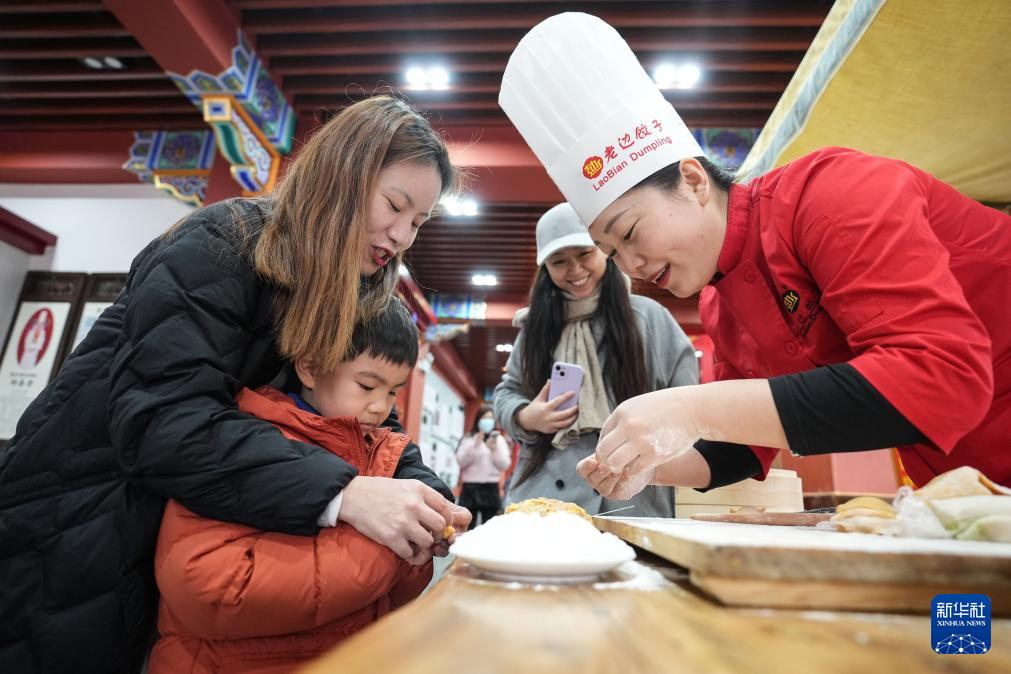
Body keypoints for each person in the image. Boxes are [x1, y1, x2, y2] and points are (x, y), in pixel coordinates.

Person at [0, 95, 470, 673]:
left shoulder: (347, 289)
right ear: (343, 177)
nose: (401, 236)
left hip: (179, 535)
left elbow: (364, 415)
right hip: (77, 520)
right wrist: (345, 492)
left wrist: (427, 494)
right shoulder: (220, 245)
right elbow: (162, 421)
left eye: (418, 223)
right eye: (394, 206)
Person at [499, 13, 1011, 501]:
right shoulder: (720, 305)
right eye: (613, 253)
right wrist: (649, 467)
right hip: (975, 490)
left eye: (629, 232)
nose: (630, 266)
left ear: (693, 180)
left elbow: (944, 378)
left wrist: (692, 407)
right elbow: (741, 448)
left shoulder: (832, 194)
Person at [149, 299, 459, 673]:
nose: (380, 407)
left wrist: (425, 535)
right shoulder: (246, 443)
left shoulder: (381, 456)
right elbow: (211, 590)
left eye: (393, 392)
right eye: (366, 386)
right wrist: (392, 548)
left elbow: (386, 602)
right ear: (310, 367)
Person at [493, 203, 698, 515]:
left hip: (633, 496)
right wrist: (526, 417)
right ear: (546, 268)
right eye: (559, 261)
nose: (575, 270)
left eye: (584, 254)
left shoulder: (649, 318)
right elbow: (507, 392)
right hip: (545, 495)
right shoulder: (534, 327)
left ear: (603, 251)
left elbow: (686, 399)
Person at [455, 406, 511, 526]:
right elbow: (461, 461)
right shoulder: (469, 438)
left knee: (489, 527)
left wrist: (494, 450)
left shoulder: (499, 440)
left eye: (490, 418)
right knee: (467, 526)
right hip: (470, 488)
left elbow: (504, 464)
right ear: (478, 420)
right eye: (484, 418)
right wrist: (474, 445)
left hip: (491, 488)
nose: (487, 421)